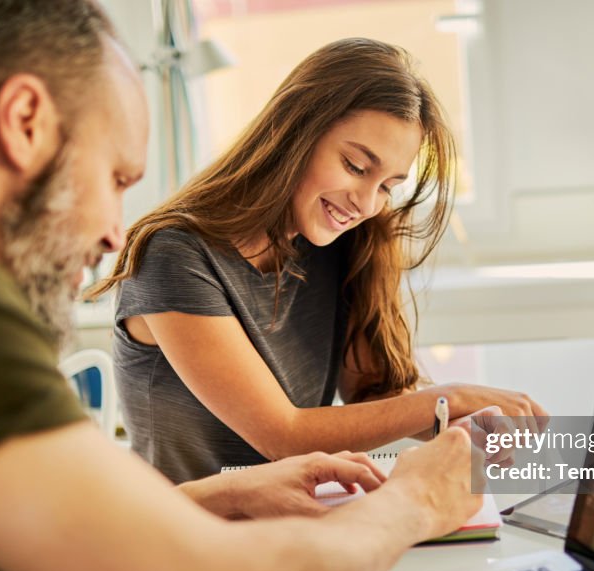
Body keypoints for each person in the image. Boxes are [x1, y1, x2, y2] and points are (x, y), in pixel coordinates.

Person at [0, 2, 482, 571]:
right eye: (116, 178)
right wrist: (415, 501)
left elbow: (1, 562)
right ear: (24, 120)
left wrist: (226, 495)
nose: (111, 234)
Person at [90, 37, 547, 481]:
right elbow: (284, 436)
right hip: (190, 537)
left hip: (299, 519)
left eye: (388, 185)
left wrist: (459, 427)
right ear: (296, 134)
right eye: (355, 166)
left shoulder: (338, 245)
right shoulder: (174, 255)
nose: (367, 203)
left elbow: (377, 398)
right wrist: (451, 397)